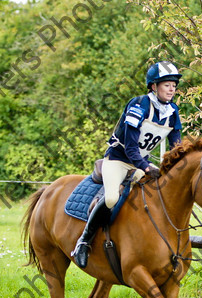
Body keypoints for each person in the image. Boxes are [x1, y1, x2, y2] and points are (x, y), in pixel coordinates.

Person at [71, 61, 183, 268]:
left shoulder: (172, 112)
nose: (172, 89)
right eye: (166, 84)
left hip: (140, 164)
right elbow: (131, 148)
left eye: (174, 85)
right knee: (112, 197)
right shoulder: (138, 105)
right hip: (118, 160)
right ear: (153, 86)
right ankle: (84, 242)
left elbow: (177, 146)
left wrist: (177, 169)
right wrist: (147, 167)